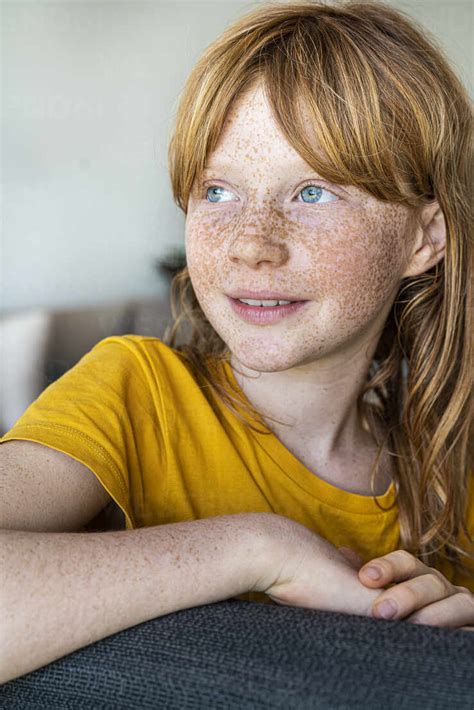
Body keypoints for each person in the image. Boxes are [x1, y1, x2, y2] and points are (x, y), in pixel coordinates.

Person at [1, 0, 473, 684]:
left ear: (424, 238)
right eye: (218, 190)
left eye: (314, 193)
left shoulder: (450, 471)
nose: (252, 244)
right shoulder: (134, 393)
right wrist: (256, 547)